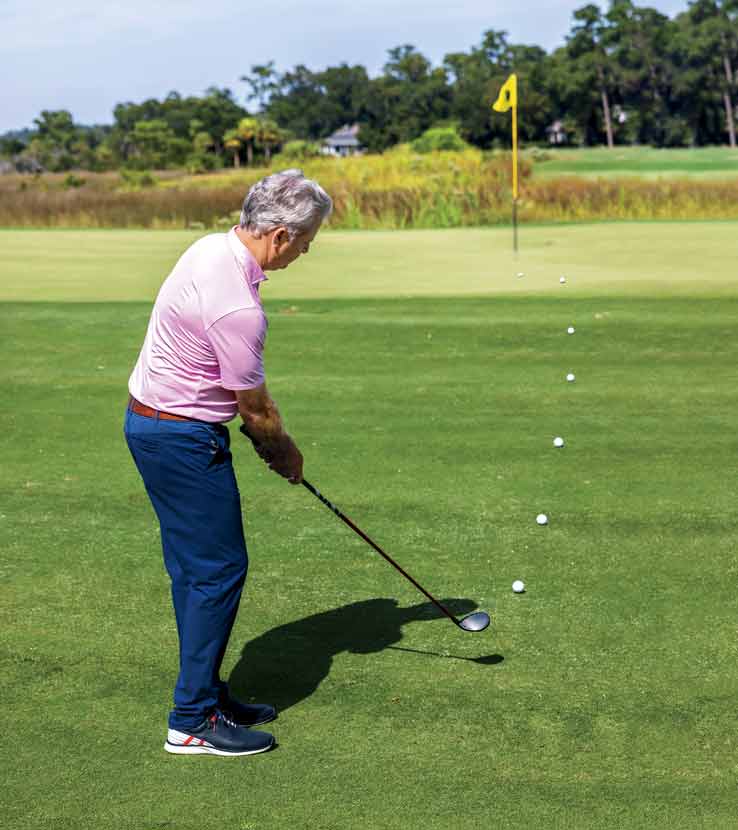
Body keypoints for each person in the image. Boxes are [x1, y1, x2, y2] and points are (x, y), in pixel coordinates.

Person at [123, 169, 332, 757]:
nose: (308, 250)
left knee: (197, 572)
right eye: (309, 239)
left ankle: (206, 695)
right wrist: (286, 456)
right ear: (282, 235)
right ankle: (190, 719)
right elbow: (257, 412)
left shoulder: (212, 246)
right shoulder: (239, 307)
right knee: (216, 572)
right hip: (180, 438)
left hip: (156, 425)